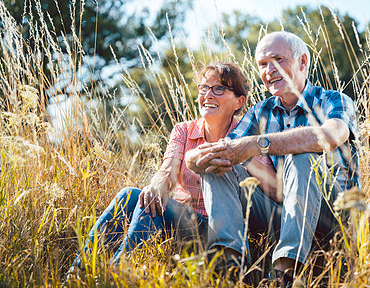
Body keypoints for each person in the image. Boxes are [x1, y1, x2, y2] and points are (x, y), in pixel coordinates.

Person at [185, 31, 359, 288]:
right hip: (283, 212)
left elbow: (330, 135)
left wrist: (257, 144)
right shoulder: (260, 110)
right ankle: (229, 267)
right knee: (217, 166)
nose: (269, 71)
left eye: (277, 59)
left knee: (303, 155)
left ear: (302, 62)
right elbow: (226, 149)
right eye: (263, 64)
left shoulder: (333, 100)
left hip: (334, 216)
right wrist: (198, 158)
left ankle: (285, 273)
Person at [70, 62, 275, 270]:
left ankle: (117, 272)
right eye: (204, 88)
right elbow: (167, 170)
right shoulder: (184, 130)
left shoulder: (248, 137)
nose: (209, 94)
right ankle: (79, 270)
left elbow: (270, 189)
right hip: (182, 221)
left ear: (239, 102)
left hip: (220, 231)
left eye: (219, 88)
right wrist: (157, 186)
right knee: (132, 195)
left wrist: (243, 155)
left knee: (154, 206)